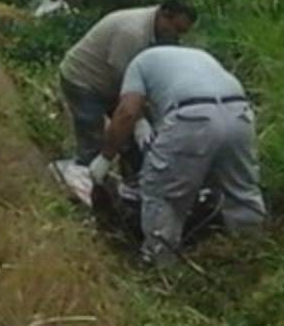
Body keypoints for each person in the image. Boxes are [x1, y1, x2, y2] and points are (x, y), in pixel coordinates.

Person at [89, 46, 267, 266]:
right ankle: (252, 256)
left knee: (162, 194)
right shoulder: (197, 56)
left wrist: (105, 158)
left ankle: (160, 264)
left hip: (191, 117)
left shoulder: (138, 64)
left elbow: (127, 111)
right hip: (238, 114)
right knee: (242, 191)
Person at [59, 0, 197, 165]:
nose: (177, 36)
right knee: (93, 141)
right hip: (85, 80)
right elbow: (125, 80)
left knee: (132, 142)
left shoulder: (160, 32)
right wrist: (138, 119)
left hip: (112, 83)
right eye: (176, 29)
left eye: (182, 32)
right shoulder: (132, 33)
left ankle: (130, 180)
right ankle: (83, 177)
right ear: (164, 15)